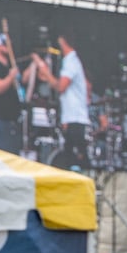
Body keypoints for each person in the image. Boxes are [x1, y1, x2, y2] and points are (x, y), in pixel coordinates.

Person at [31, 31, 90, 171]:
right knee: (70, 156)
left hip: (75, 117)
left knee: (77, 158)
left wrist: (46, 72)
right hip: (71, 117)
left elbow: (61, 87)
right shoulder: (72, 61)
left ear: (63, 42)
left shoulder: (71, 61)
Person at [0, 30, 23, 155]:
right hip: (3, 120)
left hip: (12, 120)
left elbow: (21, 81)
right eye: (4, 43)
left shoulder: (8, 65)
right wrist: (11, 76)